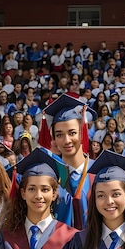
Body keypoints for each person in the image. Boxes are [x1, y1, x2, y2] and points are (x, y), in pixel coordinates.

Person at [40, 93, 98, 230]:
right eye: (59, 134)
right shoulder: (50, 174)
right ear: (53, 137)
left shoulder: (99, 171)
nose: (66, 141)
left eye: (72, 133)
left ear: (82, 132)